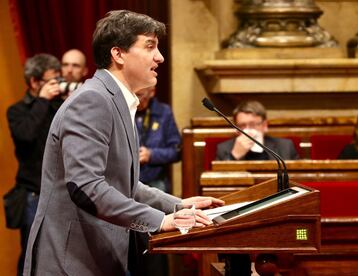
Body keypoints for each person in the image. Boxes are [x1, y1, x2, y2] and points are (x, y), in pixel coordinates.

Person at [23, 10, 224, 276]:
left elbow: (123, 183)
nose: (160, 57)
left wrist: (178, 205)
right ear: (118, 54)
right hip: (70, 262)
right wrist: (159, 221)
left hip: (91, 258)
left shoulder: (116, 100)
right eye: (150, 46)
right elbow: (86, 186)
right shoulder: (93, 100)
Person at [6, 53, 62, 276]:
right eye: (51, 81)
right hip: (33, 195)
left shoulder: (59, 106)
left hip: (60, 192)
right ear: (34, 82)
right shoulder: (17, 111)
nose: (57, 85)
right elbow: (26, 135)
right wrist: (42, 100)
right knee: (32, 253)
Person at [134, 85, 181, 275]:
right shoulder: (125, 108)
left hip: (156, 184)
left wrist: (151, 155)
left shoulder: (164, 112)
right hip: (131, 185)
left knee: (155, 241)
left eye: (143, 96)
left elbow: (176, 151)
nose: (139, 101)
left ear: (153, 92)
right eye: (136, 96)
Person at [216, 100, 299, 161]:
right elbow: (217, 181)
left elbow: (296, 179)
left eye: (253, 124)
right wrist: (234, 155)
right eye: (242, 126)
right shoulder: (224, 148)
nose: (247, 130)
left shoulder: (285, 146)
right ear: (236, 129)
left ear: (264, 125)